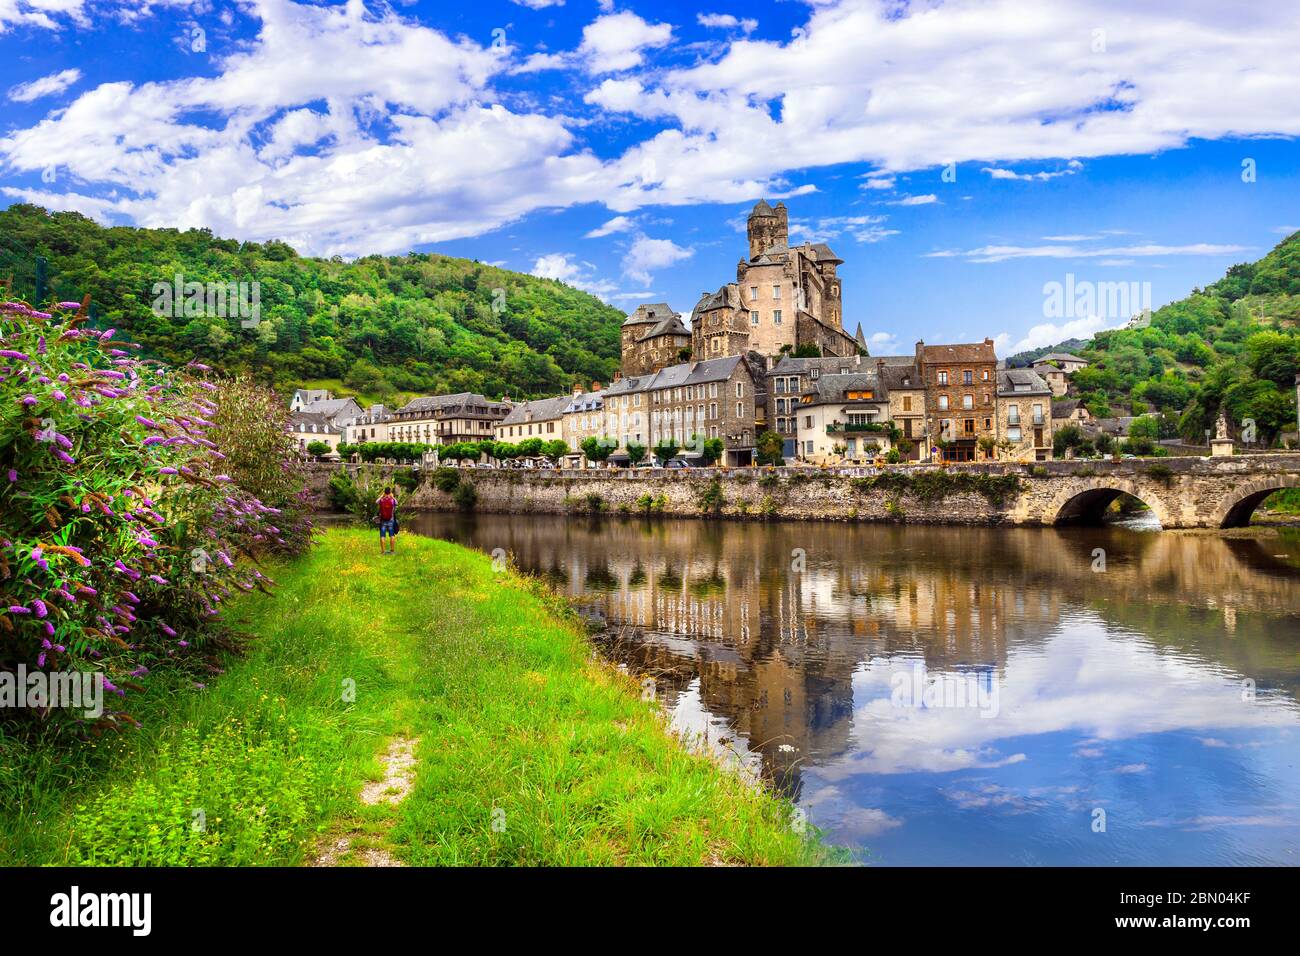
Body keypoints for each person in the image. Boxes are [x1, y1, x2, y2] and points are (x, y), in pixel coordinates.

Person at [377, 487, 398, 554]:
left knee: (382, 535)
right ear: (390, 492)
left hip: (383, 520)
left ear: (384, 492)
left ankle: (383, 551)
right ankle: (392, 551)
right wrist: (392, 497)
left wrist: (382, 496)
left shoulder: (381, 500)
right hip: (391, 520)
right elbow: (397, 503)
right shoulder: (392, 500)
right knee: (392, 535)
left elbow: (376, 501)